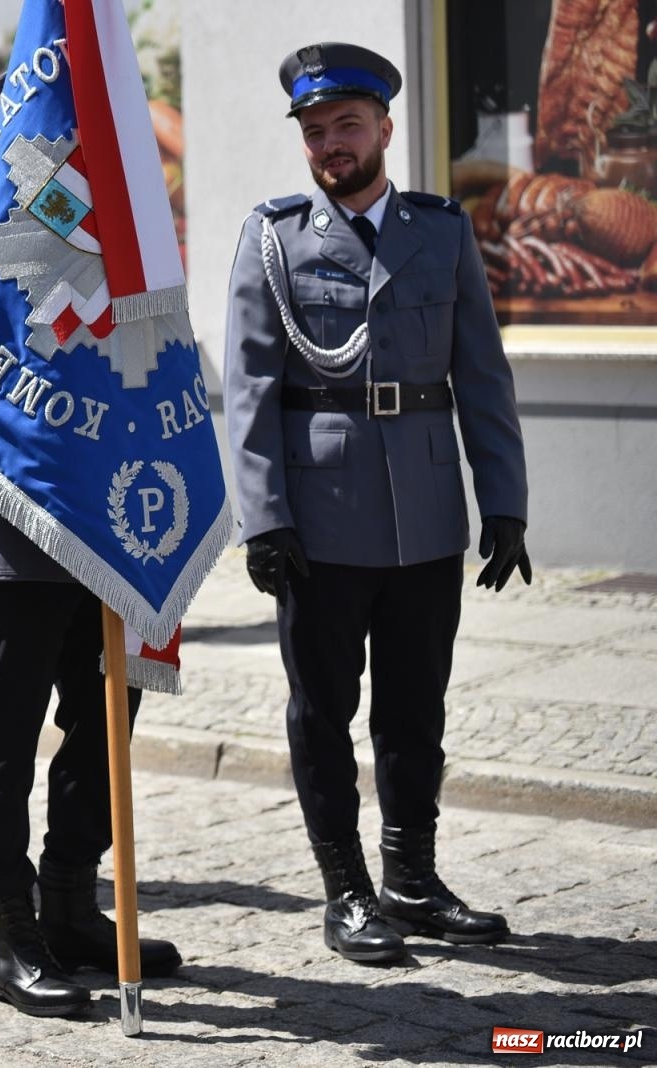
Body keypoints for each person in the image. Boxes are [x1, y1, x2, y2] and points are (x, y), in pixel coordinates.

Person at [222, 43, 529, 965]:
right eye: (315, 132)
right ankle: (347, 892)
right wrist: (265, 517)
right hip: (321, 518)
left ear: (385, 129)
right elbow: (249, 390)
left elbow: (482, 375)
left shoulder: (439, 231)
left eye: (346, 125)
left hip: (427, 512)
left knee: (415, 709)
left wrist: (504, 503)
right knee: (323, 710)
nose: (330, 144)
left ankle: (411, 879)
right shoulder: (273, 239)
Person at [0, 81, 181, 1019]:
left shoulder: (126, 247)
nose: (64, 147)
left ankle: (71, 897)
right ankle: (9, 927)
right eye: (49, 133)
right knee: (4, 736)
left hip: (111, 530)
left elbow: (157, 376)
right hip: (6, 544)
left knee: (109, 725)